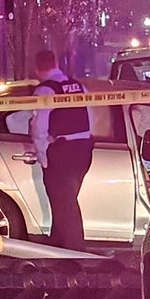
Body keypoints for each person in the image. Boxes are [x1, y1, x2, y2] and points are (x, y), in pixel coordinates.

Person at [30, 50, 93, 251]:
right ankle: (58, 245)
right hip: (83, 149)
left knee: (64, 204)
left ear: (37, 68)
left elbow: (39, 126)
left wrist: (43, 155)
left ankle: (74, 251)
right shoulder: (79, 86)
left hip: (62, 150)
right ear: (56, 63)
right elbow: (90, 116)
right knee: (64, 200)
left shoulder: (45, 90)